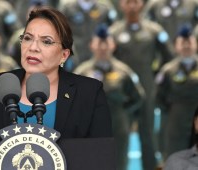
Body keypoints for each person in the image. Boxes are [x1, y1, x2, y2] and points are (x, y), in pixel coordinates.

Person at [0, 6, 113, 140]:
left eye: (46, 41)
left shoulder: (89, 93)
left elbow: (100, 156)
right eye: (28, 38)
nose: (33, 47)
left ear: (64, 55)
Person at [109, 0, 175, 169]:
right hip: (124, 94)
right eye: (127, 2)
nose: (132, 6)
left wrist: (156, 76)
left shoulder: (154, 31)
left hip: (148, 89)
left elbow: (170, 58)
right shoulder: (114, 32)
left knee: (148, 135)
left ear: (142, 5)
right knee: (120, 135)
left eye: (135, 2)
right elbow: (108, 61)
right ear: (121, 5)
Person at [74, 24, 144, 170]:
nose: (103, 48)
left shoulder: (124, 71)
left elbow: (138, 97)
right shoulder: (82, 72)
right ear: (92, 46)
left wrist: (126, 116)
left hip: (117, 124)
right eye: (99, 44)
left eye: (106, 44)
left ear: (113, 45)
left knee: (118, 162)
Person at [155, 24, 198, 160]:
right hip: (176, 122)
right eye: (182, 43)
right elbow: (159, 98)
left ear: (196, 44)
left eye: (189, 42)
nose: (186, 46)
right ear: (176, 46)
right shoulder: (168, 71)